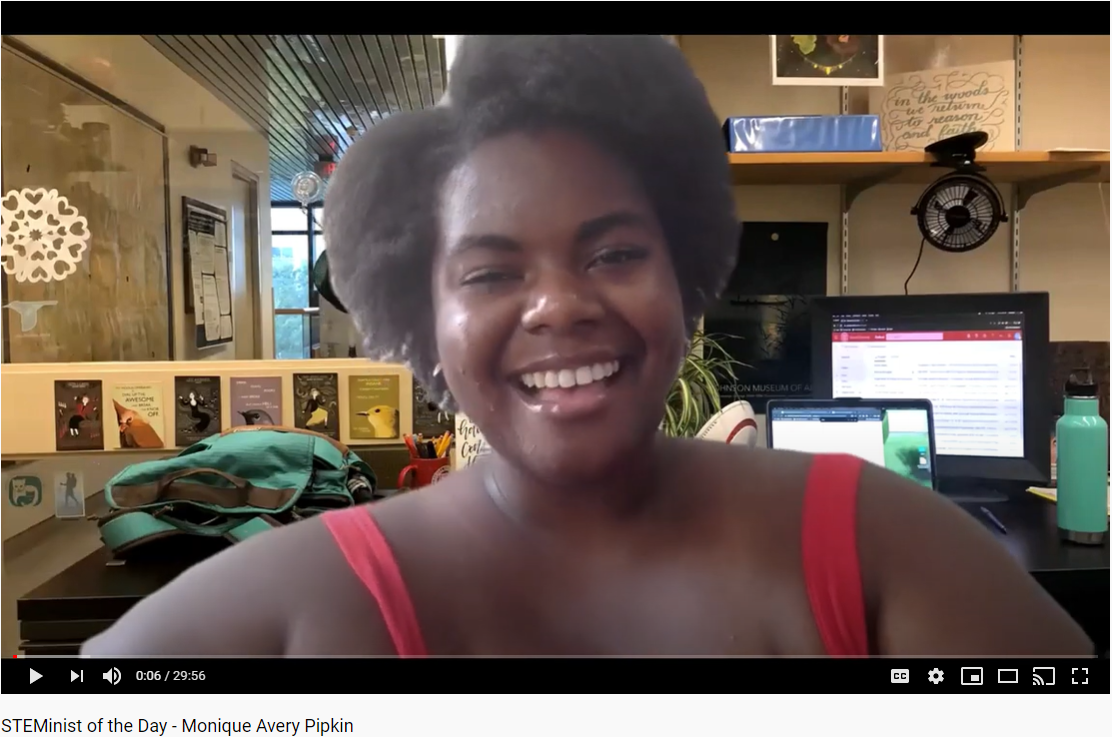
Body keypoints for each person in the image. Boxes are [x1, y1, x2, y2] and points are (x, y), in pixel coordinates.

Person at [83, 35, 1092, 657]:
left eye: (611, 250)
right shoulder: (303, 602)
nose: (558, 305)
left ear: (682, 270)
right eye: (488, 271)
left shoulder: (875, 544)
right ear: (419, 313)